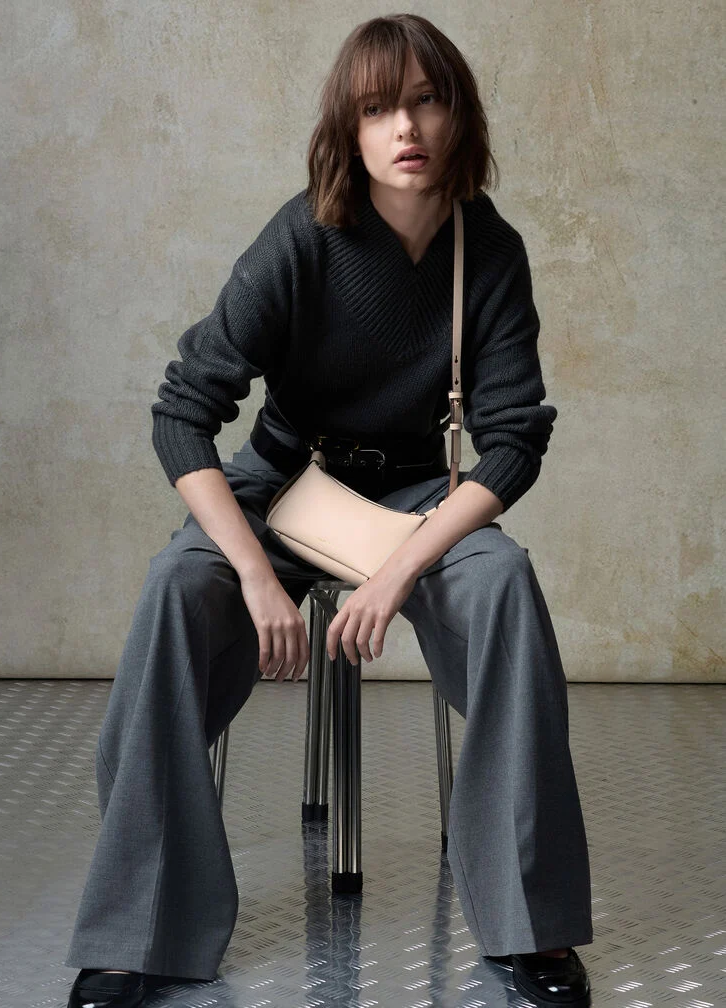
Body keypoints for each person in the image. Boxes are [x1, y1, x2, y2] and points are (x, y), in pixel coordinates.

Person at [65, 14, 593, 1008]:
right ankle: (139, 930)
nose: (406, 128)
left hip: (415, 499)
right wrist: (254, 573)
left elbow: (514, 442)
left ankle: (532, 930)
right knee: (177, 588)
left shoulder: (489, 251)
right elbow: (183, 414)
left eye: (426, 100)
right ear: (349, 129)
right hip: (283, 483)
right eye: (378, 107)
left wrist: (399, 569)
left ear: (459, 114)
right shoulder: (304, 236)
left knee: (506, 585)